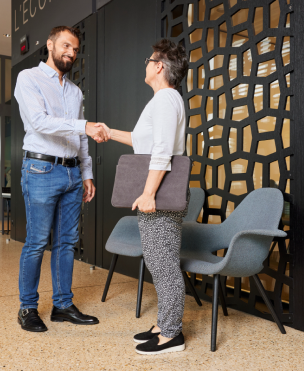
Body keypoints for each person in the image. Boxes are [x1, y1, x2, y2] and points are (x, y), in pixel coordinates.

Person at [14, 26, 109, 332]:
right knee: (37, 242)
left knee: (67, 242)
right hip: (40, 170)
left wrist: (87, 173)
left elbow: (80, 138)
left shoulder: (75, 92)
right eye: (66, 46)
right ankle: (27, 307)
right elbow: (39, 122)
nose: (71, 53)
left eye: (76, 49)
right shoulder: (28, 79)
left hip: (71, 172)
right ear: (51, 45)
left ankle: (62, 306)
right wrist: (83, 125)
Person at [98, 39, 189, 354]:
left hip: (160, 194)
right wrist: (109, 133)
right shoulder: (164, 99)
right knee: (157, 260)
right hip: (157, 193)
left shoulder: (165, 99)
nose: (145, 64)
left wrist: (149, 192)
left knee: (163, 264)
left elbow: (162, 150)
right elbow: (142, 140)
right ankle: (165, 323)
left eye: (149, 60)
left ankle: (172, 334)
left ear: (159, 66)